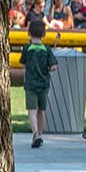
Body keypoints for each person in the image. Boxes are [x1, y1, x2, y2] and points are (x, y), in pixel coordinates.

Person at [22, 19, 57, 150]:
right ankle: (40, 134)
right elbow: (53, 67)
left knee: (32, 110)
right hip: (44, 84)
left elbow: (24, 63)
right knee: (41, 110)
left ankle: (35, 133)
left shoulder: (27, 48)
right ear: (44, 34)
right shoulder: (47, 49)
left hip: (30, 84)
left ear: (29, 33)